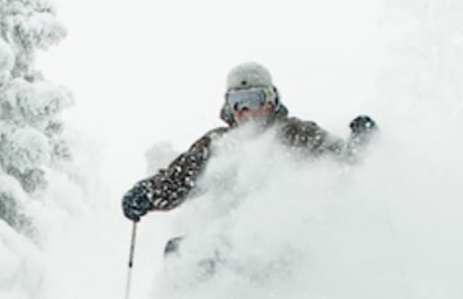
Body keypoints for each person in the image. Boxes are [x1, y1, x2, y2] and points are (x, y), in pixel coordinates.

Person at [121, 62, 377, 223]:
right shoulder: (217, 144)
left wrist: (362, 141)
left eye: (252, 99)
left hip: (283, 235)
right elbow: (180, 180)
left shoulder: (295, 134)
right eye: (236, 102)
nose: (245, 110)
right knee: (180, 252)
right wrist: (148, 193)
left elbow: (344, 160)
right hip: (228, 236)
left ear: (270, 100)